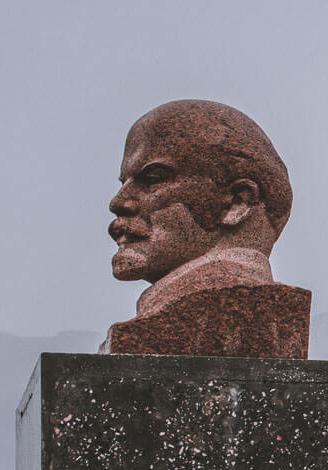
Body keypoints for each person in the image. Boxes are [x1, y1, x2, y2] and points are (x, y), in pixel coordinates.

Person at [104, 99, 310, 357]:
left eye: (153, 179)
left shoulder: (222, 314)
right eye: (125, 183)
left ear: (238, 202)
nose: (118, 202)